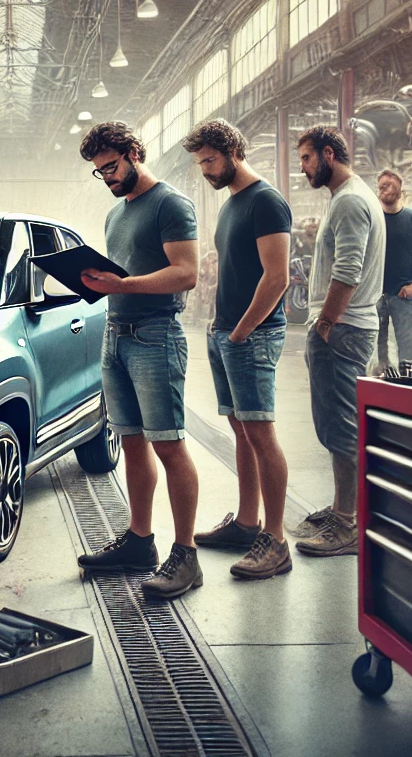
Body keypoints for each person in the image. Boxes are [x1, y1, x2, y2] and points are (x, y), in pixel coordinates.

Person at [76, 121, 203, 600]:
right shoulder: (117, 215)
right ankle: (139, 541)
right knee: (132, 442)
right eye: (99, 172)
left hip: (155, 336)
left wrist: (123, 286)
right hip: (116, 335)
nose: (107, 177)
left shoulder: (170, 204)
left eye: (111, 166)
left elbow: (186, 273)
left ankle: (186, 556)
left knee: (168, 444)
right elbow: (121, 275)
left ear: (133, 153)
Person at [182, 119, 293, 581]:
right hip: (226, 332)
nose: (205, 169)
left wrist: (244, 329)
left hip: (252, 335)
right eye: (201, 162)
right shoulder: (232, 205)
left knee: (260, 432)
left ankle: (277, 539)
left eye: (210, 160)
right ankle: (248, 524)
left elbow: (277, 276)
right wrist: (221, 326)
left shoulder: (266, 202)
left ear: (232, 151)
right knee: (241, 430)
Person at [295, 125, 384, 558]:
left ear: (329, 153)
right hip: (351, 327)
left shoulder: (349, 200)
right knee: (339, 423)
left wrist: (325, 323)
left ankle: (347, 524)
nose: (304, 168)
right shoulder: (352, 196)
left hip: (343, 328)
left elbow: (348, 269)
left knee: (341, 427)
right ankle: (343, 509)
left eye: (308, 159)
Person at [374, 169, 412, 370]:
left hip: (403, 296)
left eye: (391, 185)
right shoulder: (372, 219)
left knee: (408, 353)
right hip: (373, 296)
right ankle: (377, 390)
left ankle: (407, 389)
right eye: (382, 186)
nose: (386, 190)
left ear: (400, 190)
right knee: (375, 351)